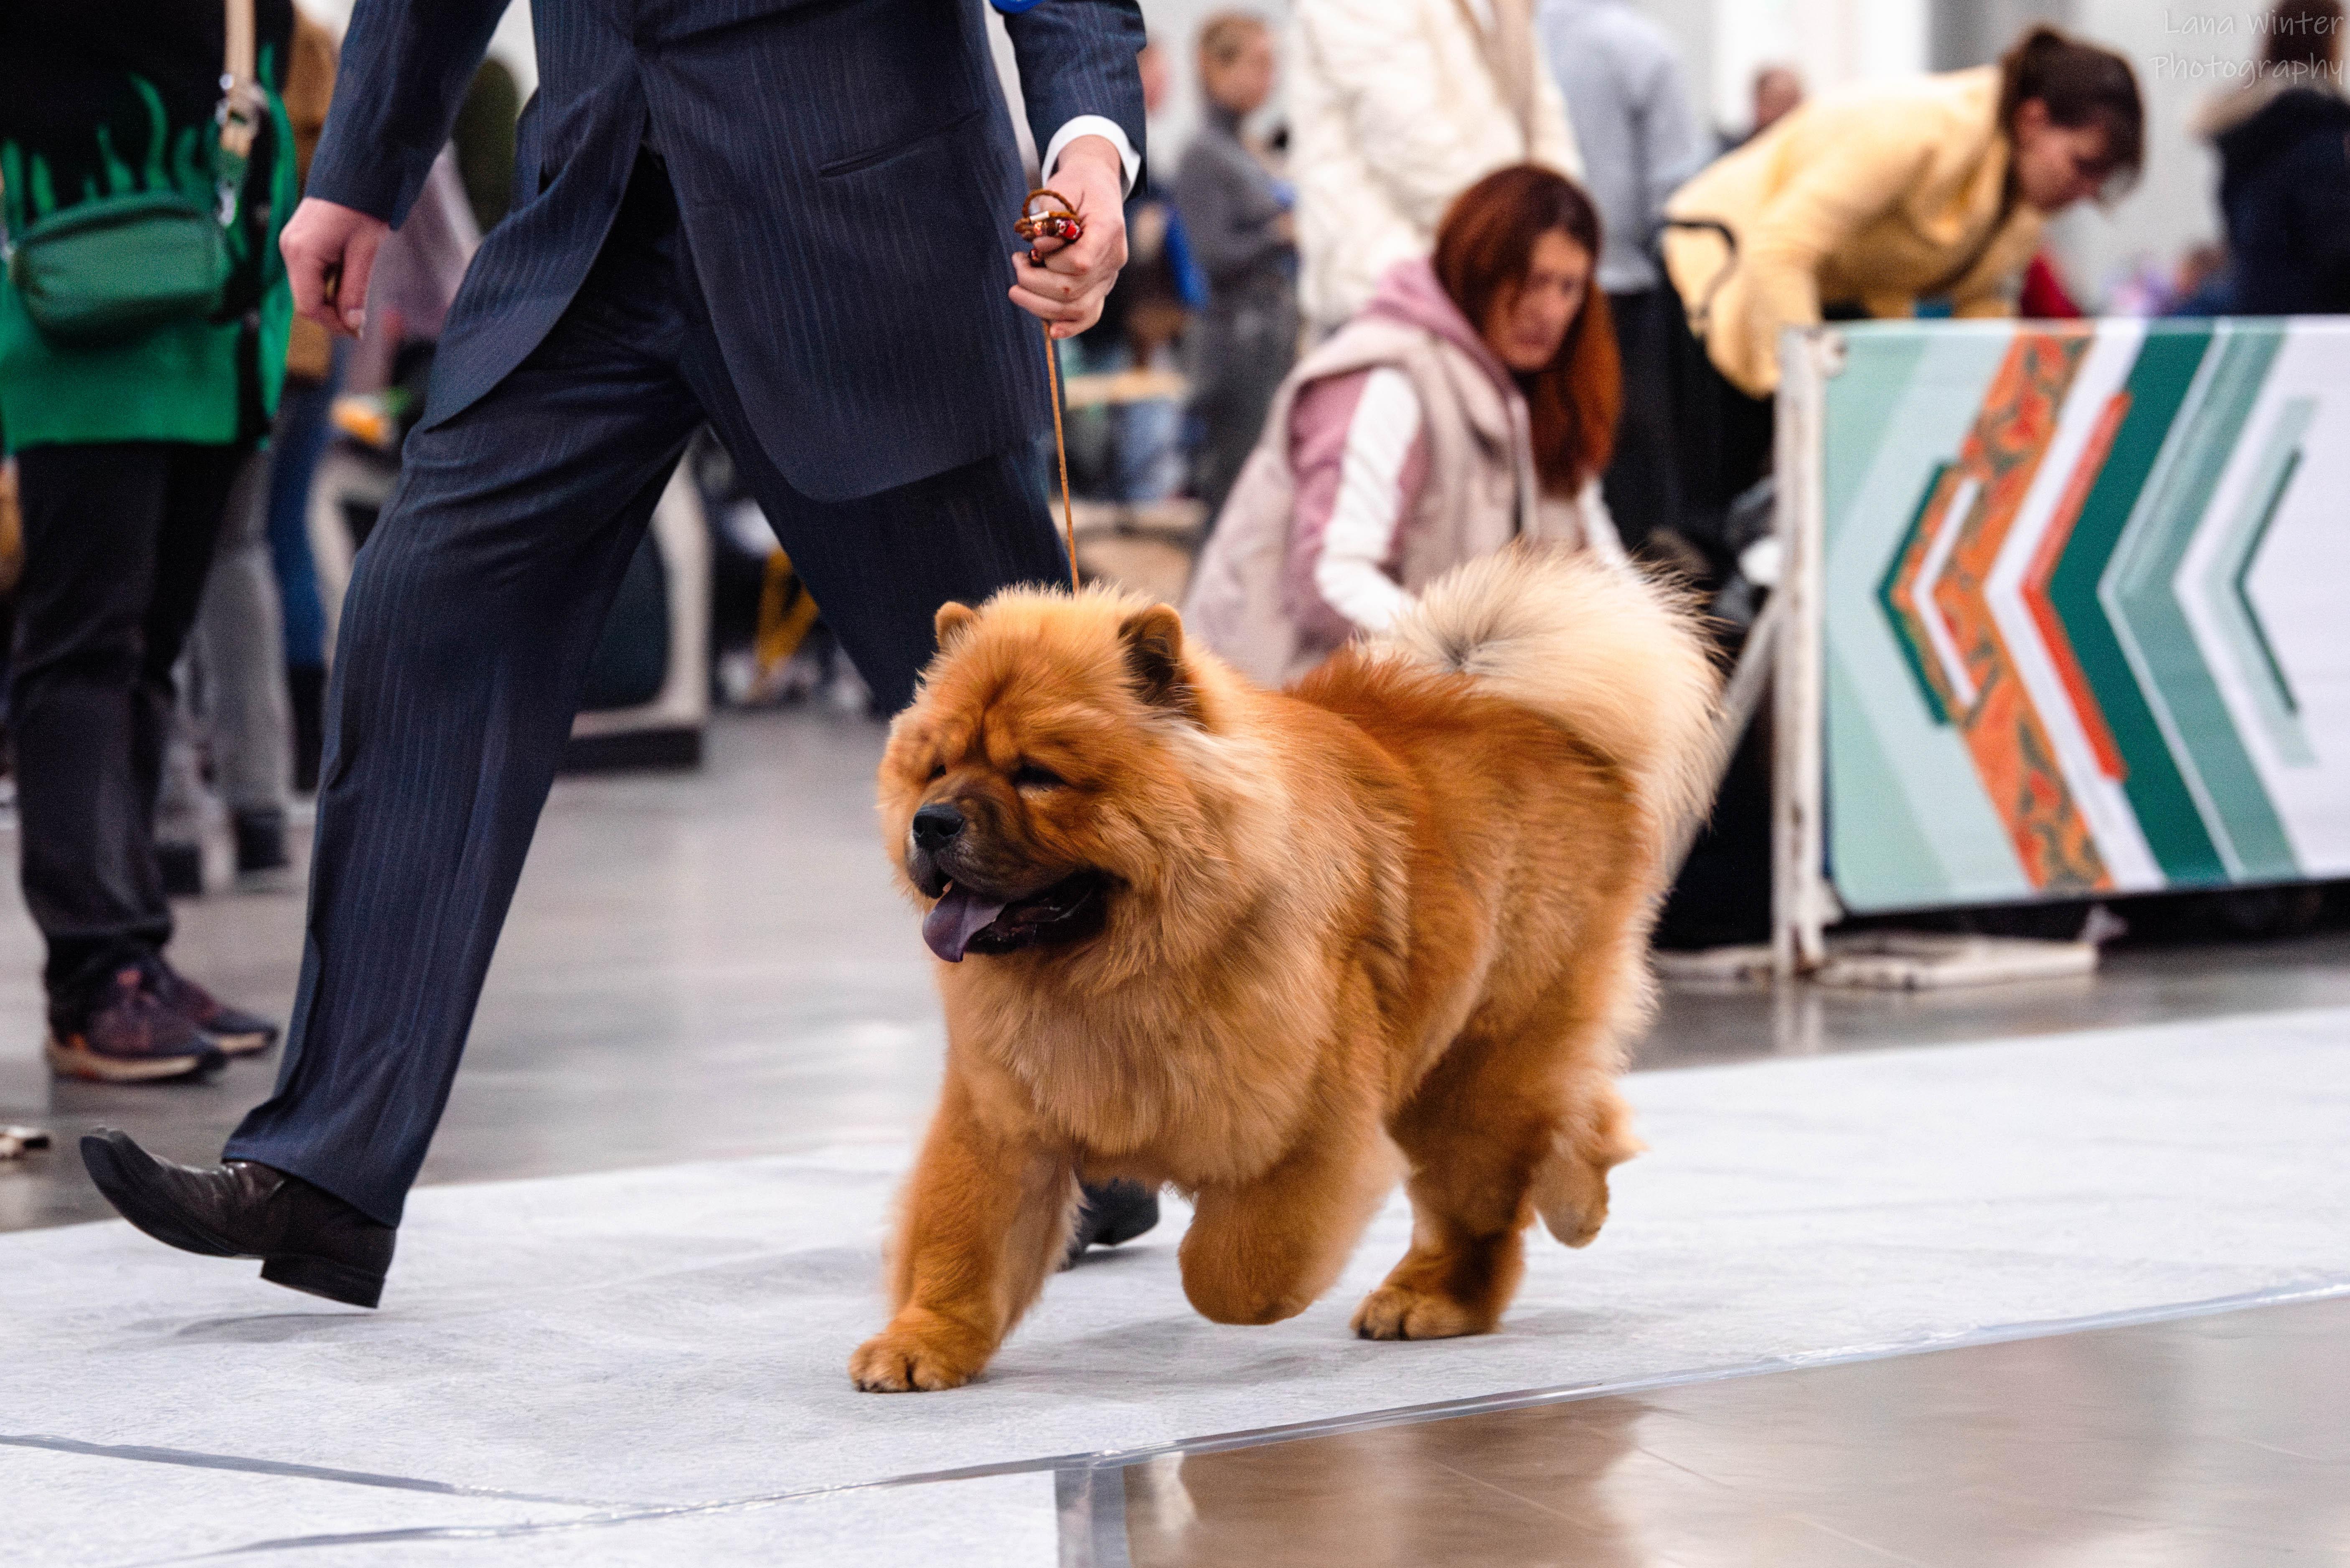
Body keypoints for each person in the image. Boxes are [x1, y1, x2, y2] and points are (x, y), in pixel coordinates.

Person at [77, 0, 1149, 1308]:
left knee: (1027, 731)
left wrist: (1089, 146)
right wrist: (357, 175)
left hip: (863, 246)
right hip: (587, 235)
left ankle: (1103, 1128)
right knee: (422, 621)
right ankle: (324, 1173)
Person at [0, 1, 297, 1082]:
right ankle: (94, 973)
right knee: (84, 646)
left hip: (216, 324)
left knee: (148, 653)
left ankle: (135, 951)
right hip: (78, 320)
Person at [1658, 24, 2143, 562]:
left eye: (2102, 179)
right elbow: (1779, 249)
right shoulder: (1920, 129)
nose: (2087, 191)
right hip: (1721, 270)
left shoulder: (2021, 207)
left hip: (1825, 292)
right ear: (2032, 120)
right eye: (2084, 164)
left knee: (1851, 497)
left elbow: (1983, 320)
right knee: (1710, 530)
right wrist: (1812, 402)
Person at [1186, 164, 1624, 685]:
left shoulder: (1540, 391)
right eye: (1531, 281)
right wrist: (1480, 663)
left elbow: (1597, 559)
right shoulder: (1389, 375)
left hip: (1418, 699)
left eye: (1569, 287)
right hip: (1283, 703)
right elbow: (1331, 579)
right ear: (1479, 269)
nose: (1549, 309)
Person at [1291, 0, 1583, 337]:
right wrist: (1520, 246)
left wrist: (1560, 228)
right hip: (1390, 294)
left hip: (1498, 278)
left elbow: (1543, 120)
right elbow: (1410, 146)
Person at [1537, 0, 1702, 557]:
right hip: (1621, 289)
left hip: (1524, 288)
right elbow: (1673, 190)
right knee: (1624, 470)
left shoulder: (1515, 35)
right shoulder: (1642, 47)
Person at [1175, 12, 1299, 530]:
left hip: (1268, 336)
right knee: (1233, 497)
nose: (1270, 77)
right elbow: (1214, 256)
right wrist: (1282, 234)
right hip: (1234, 345)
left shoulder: (1244, 150)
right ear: (1217, 69)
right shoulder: (1202, 154)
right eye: (1259, 63)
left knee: (1265, 496)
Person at [2195, 0, 2350, 315]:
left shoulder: (2249, 132)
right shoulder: (2316, 132)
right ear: (2328, 41)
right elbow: (2336, 251)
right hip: (2320, 325)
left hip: (2259, 319)